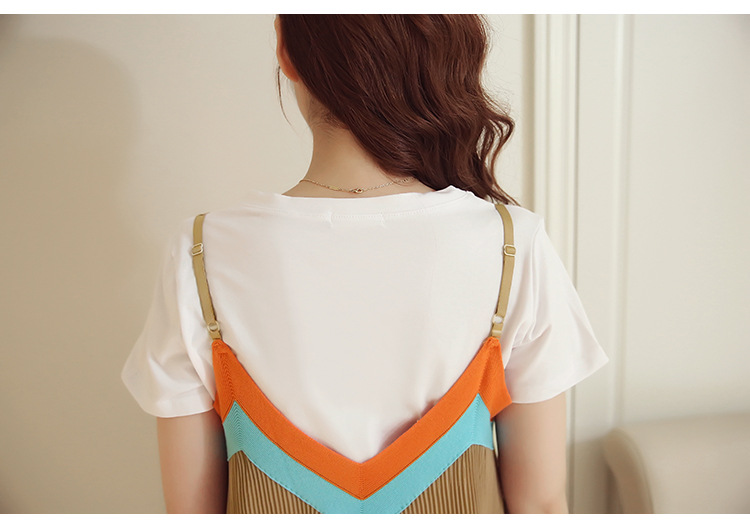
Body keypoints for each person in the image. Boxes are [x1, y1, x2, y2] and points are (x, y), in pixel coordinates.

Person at [122, 14, 608, 514]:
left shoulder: (200, 253)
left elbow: (190, 510)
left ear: (285, 49)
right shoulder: (512, 245)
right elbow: (540, 503)